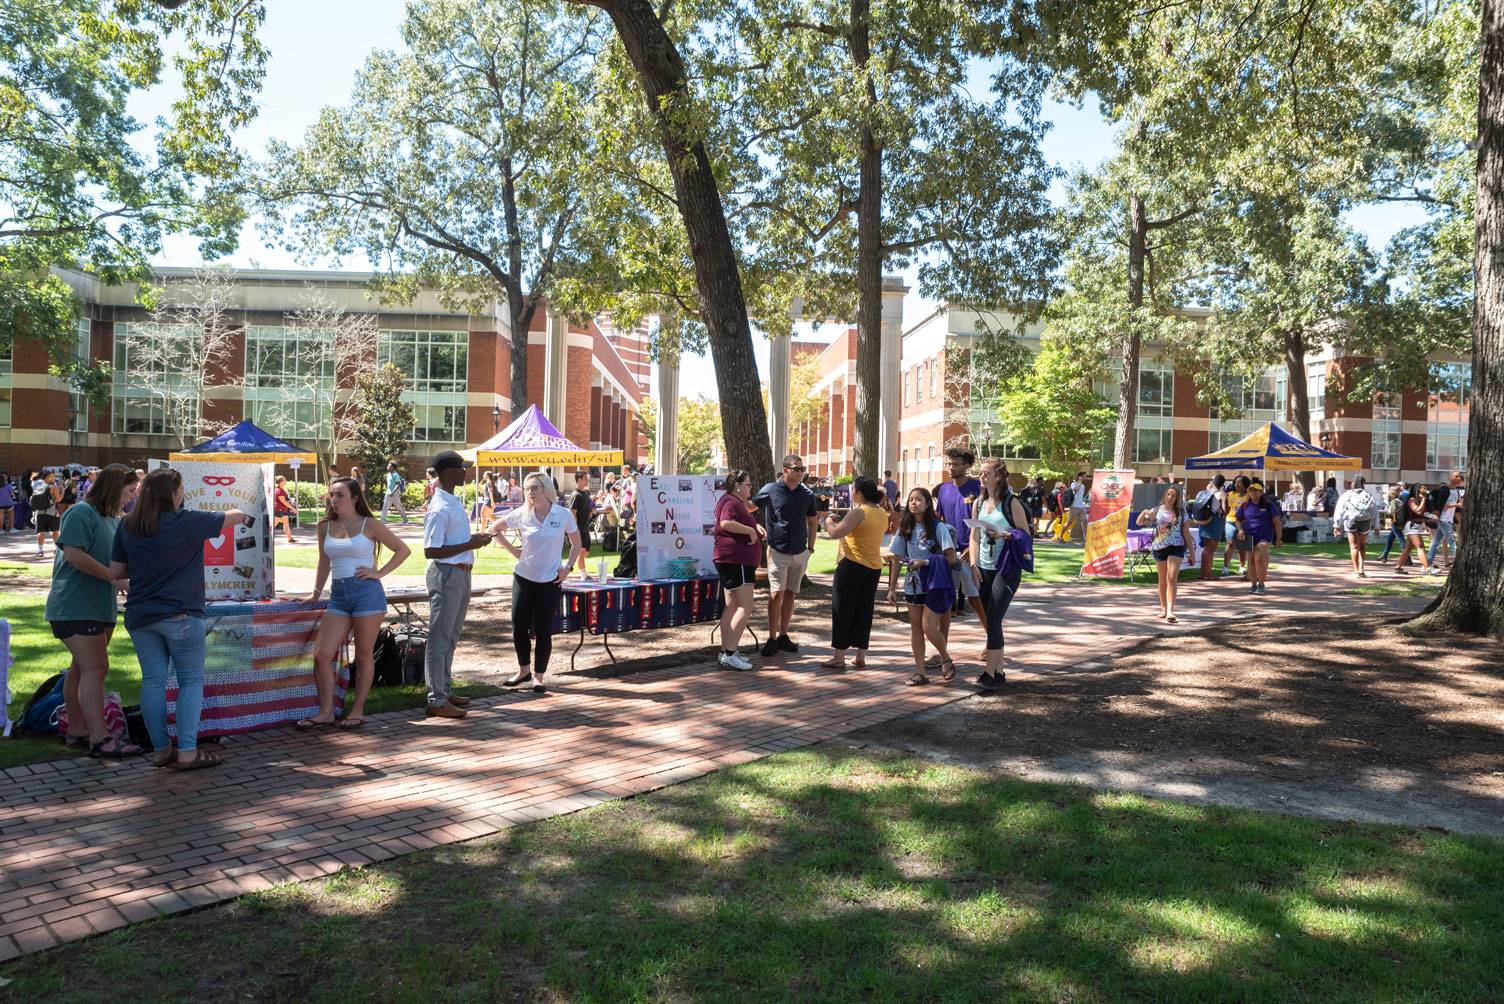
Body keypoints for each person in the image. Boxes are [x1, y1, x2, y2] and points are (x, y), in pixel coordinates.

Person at [109, 468, 249, 769]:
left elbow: (117, 572)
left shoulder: (128, 525)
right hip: (182, 615)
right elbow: (236, 515)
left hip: (141, 615)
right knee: (190, 681)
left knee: (153, 681)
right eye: (181, 489)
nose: (183, 493)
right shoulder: (188, 521)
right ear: (172, 493)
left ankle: (161, 750)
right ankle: (187, 751)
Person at [297, 477, 411, 730]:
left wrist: (379, 573)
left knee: (363, 654)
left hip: (366, 594)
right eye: (331, 495)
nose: (334, 500)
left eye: (340, 495)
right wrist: (315, 594)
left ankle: (357, 710)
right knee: (321, 655)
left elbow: (403, 550)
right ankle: (326, 712)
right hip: (338, 595)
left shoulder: (369, 524)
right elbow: (324, 562)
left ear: (355, 499)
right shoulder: (324, 525)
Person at [48, 465, 139, 758]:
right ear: (115, 487)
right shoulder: (81, 512)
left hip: (101, 606)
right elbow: (74, 554)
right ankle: (100, 739)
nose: (131, 496)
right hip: (74, 605)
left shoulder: (117, 520)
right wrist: (113, 578)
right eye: (129, 491)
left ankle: (78, 731)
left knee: (82, 669)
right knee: (97, 669)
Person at [490, 471, 582, 692]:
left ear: (546, 489)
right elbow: (494, 529)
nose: (530, 492)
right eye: (527, 488)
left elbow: (577, 543)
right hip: (524, 578)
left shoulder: (562, 514)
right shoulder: (522, 513)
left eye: (535, 488)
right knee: (518, 626)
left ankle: (539, 676)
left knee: (542, 629)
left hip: (550, 581)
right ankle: (523, 671)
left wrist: (567, 568)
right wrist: (514, 551)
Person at [422, 451, 495, 717]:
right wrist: (471, 544)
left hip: (460, 573)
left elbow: (451, 542)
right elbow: (431, 550)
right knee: (440, 638)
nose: (466, 472)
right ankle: (436, 699)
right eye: (461, 468)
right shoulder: (439, 507)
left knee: (450, 637)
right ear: (448, 473)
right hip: (447, 574)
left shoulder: (451, 501)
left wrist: (472, 541)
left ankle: (444, 690)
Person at [969, 459, 1031, 692]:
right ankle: (1000, 672)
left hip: (1006, 569)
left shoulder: (1011, 502)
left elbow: (1024, 535)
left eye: (986, 474)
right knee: (991, 621)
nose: (981, 477)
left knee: (993, 620)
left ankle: (988, 674)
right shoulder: (978, 503)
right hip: (983, 567)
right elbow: (974, 536)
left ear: (999, 477)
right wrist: (973, 565)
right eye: (980, 473)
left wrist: (1003, 534)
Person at [887, 488, 958, 686]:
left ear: (928, 503)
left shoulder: (938, 527)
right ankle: (920, 672)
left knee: (929, 627)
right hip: (913, 585)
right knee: (916, 629)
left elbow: (951, 558)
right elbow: (898, 559)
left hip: (934, 583)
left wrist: (925, 562)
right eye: (911, 499)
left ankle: (945, 657)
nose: (913, 503)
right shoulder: (904, 527)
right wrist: (892, 588)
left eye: (918, 499)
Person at [752, 455, 819, 658]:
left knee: (790, 593)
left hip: (800, 552)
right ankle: (771, 638)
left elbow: (813, 522)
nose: (800, 472)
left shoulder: (807, 494)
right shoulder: (771, 490)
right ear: (785, 470)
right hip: (777, 551)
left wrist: (811, 548)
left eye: (802, 469)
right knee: (776, 594)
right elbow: (749, 508)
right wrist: (753, 524)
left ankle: (783, 635)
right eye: (796, 468)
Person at [820, 477, 886, 672]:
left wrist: (828, 520)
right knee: (864, 609)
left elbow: (835, 533)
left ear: (859, 493)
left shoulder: (858, 512)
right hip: (874, 567)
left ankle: (839, 656)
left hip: (852, 564)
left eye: (853, 490)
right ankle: (860, 655)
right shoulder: (881, 512)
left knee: (842, 609)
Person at [710, 470, 764, 671]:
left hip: (733, 560)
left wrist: (754, 526)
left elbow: (733, 521)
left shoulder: (733, 502)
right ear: (737, 485)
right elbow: (725, 522)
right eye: (748, 484)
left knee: (732, 605)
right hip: (736, 561)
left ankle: (727, 650)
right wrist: (750, 530)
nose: (751, 488)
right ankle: (730, 652)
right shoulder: (730, 501)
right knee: (746, 606)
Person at [932, 448, 986, 625]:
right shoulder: (944, 490)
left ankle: (992, 640)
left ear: (967, 465)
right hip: (948, 553)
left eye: (956, 464)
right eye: (949, 464)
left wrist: (971, 549)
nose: (951, 467)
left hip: (970, 554)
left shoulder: (977, 488)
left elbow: (983, 521)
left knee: (976, 600)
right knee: (946, 601)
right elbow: (939, 519)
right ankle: (943, 650)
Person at [1137, 485, 1189, 620]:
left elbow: (1186, 532)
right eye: (1168, 494)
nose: (1170, 497)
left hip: (1176, 547)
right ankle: (1163, 608)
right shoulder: (1157, 510)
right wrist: (1144, 512)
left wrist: (1192, 553)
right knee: (1162, 580)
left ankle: (1171, 610)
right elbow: (1139, 522)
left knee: (1171, 578)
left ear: (1177, 498)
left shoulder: (1182, 513)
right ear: (1164, 496)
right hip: (1159, 547)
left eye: (1173, 495)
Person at [1232, 479, 1282, 595]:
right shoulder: (1245, 505)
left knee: (1259, 558)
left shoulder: (1269, 505)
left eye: (1256, 491)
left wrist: (1279, 538)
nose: (1253, 493)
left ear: (1261, 492)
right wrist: (1240, 530)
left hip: (1264, 536)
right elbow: (1238, 520)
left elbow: (1277, 522)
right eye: (1251, 491)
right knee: (1252, 561)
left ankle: (1261, 583)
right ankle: (1253, 584)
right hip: (1249, 536)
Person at [1332, 477, 1376, 579]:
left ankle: (1356, 571)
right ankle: (1362, 568)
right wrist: (1377, 526)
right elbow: (1375, 511)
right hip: (1365, 521)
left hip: (1350, 520)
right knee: (1362, 545)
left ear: (1353, 484)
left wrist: (1336, 525)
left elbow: (1339, 510)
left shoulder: (1346, 495)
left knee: (1354, 546)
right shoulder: (1368, 495)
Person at [1392, 483, 1435, 575]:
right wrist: (1423, 500)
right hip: (1411, 526)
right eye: (1422, 488)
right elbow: (1418, 511)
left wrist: (1429, 518)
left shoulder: (1420, 501)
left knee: (1408, 548)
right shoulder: (1411, 501)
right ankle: (1428, 568)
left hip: (1417, 525)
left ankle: (1398, 567)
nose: (1424, 490)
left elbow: (1422, 514)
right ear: (1417, 491)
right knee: (1420, 546)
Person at [1425, 471, 1464, 573]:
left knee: (1436, 543)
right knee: (1452, 541)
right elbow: (1441, 506)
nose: (1459, 478)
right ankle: (1463, 566)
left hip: (1448, 520)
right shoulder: (1445, 490)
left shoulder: (1456, 492)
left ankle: (1427, 564)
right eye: (1456, 476)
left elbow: (1454, 510)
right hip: (1443, 520)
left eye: (1459, 476)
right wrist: (1457, 505)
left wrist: (1460, 520)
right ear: (1450, 478)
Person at [1193, 475, 1227, 581]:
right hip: (1215, 520)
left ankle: (1202, 573)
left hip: (1204, 520)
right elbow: (1225, 510)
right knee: (1211, 549)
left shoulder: (1206, 491)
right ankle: (1208, 574)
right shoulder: (1221, 494)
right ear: (1223, 484)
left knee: (1206, 548)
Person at [566, 470, 594, 573]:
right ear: (579, 480)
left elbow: (585, 508)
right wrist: (575, 528)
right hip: (579, 528)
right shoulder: (576, 494)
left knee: (586, 551)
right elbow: (573, 512)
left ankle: (567, 565)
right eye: (585, 479)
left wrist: (591, 511)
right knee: (581, 552)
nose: (587, 481)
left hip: (585, 527)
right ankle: (584, 575)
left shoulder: (586, 493)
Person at [1223, 475, 1251, 579]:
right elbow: (1225, 508)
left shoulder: (1249, 496)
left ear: (1245, 485)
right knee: (1230, 543)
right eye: (1235, 482)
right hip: (1230, 521)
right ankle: (1225, 567)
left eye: (1239, 482)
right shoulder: (1229, 494)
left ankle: (1242, 566)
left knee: (1242, 545)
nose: (1236, 484)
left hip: (1244, 522)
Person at [33, 471, 62, 557]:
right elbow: (59, 499)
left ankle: (40, 550)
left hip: (40, 512)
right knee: (55, 531)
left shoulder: (38, 486)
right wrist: (63, 492)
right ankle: (56, 549)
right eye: (53, 476)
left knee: (41, 532)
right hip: (52, 512)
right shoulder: (53, 486)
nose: (54, 478)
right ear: (49, 477)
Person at [272, 475, 296, 543]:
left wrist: (288, 501)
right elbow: (283, 501)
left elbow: (283, 500)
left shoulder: (280, 489)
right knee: (274, 524)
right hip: (279, 509)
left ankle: (290, 538)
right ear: (281, 481)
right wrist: (292, 508)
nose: (286, 481)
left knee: (286, 524)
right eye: (285, 480)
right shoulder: (279, 490)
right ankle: (266, 537)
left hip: (283, 509)